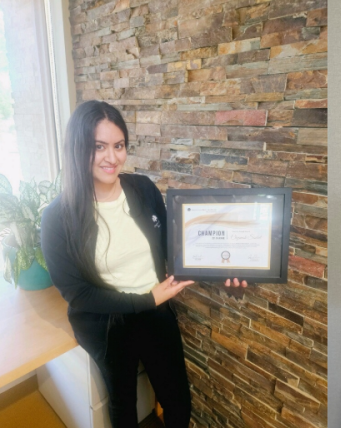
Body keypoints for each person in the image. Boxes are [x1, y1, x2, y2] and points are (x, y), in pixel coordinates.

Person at [40, 100, 247, 428]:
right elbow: (77, 294)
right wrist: (147, 299)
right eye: (99, 146)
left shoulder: (143, 189)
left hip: (154, 309)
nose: (112, 158)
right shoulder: (57, 218)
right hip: (106, 321)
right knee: (123, 406)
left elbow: (177, 245)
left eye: (119, 145)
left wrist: (225, 264)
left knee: (177, 400)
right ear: (78, 148)